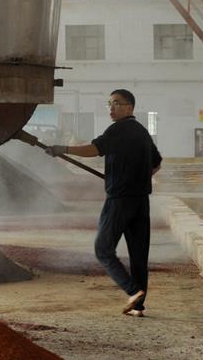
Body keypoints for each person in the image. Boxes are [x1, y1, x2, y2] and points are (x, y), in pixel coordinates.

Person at [45, 89, 162, 317]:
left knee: (103, 249)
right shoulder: (142, 132)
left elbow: (94, 149)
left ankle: (132, 290)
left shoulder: (118, 129)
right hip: (141, 201)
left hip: (119, 200)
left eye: (117, 103)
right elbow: (157, 163)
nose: (111, 108)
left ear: (130, 107)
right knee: (139, 255)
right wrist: (138, 176)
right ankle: (138, 306)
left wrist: (62, 149)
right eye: (109, 104)